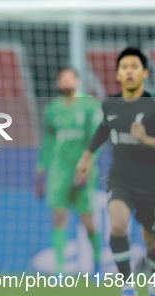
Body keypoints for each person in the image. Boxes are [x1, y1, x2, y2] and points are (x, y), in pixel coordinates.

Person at [76, 47, 155, 296]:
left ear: (145, 73)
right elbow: (104, 128)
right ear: (118, 74)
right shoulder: (110, 105)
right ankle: (127, 288)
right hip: (120, 179)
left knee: (154, 243)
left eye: (135, 66)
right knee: (118, 225)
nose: (130, 71)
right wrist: (87, 155)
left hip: (150, 184)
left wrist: (147, 139)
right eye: (125, 67)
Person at [35, 67, 103, 276]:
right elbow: (49, 140)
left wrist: (86, 167)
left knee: (87, 220)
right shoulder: (53, 109)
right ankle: (61, 271)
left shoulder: (90, 106)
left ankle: (98, 263)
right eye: (61, 78)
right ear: (58, 83)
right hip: (59, 171)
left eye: (69, 78)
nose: (65, 82)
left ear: (77, 81)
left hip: (83, 169)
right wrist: (41, 169)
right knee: (58, 216)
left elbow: (97, 140)